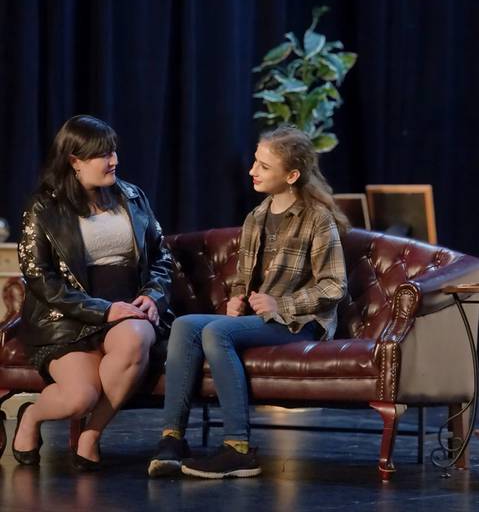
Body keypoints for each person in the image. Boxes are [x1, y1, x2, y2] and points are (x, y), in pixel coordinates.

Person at [147, 126, 349, 479]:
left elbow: (334, 286)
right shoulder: (257, 216)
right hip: (263, 320)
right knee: (184, 324)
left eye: (264, 166)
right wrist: (237, 299)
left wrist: (280, 306)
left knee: (215, 334)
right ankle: (173, 438)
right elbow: (244, 276)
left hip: (301, 323)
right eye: (256, 161)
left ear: (292, 176)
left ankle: (238, 448)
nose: (253, 171)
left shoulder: (317, 219)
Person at [14, 115, 173, 471]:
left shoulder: (132, 196)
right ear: (74, 161)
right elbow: (40, 278)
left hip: (129, 309)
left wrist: (153, 295)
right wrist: (102, 311)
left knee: (134, 339)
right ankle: (31, 416)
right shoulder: (44, 207)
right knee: (78, 398)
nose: (114, 160)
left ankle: (91, 434)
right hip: (68, 318)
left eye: (113, 151)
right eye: (102, 154)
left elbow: (162, 256)